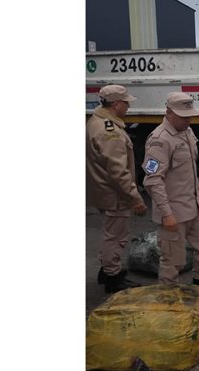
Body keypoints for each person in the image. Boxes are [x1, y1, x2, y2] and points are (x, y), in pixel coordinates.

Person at [142, 92, 199, 311]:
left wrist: (197, 186)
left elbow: (189, 166)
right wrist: (166, 213)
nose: (187, 120)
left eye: (189, 116)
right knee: (172, 261)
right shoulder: (159, 140)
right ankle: (167, 304)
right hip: (174, 211)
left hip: (195, 204)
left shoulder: (187, 131)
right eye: (182, 116)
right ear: (168, 112)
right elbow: (152, 181)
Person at [86, 85, 148, 293]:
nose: (128, 106)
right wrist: (135, 198)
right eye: (126, 102)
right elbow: (118, 171)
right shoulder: (109, 131)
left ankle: (107, 270)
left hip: (104, 190)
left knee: (110, 233)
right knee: (116, 236)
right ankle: (113, 276)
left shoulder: (97, 122)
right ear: (115, 104)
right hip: (114, 194)